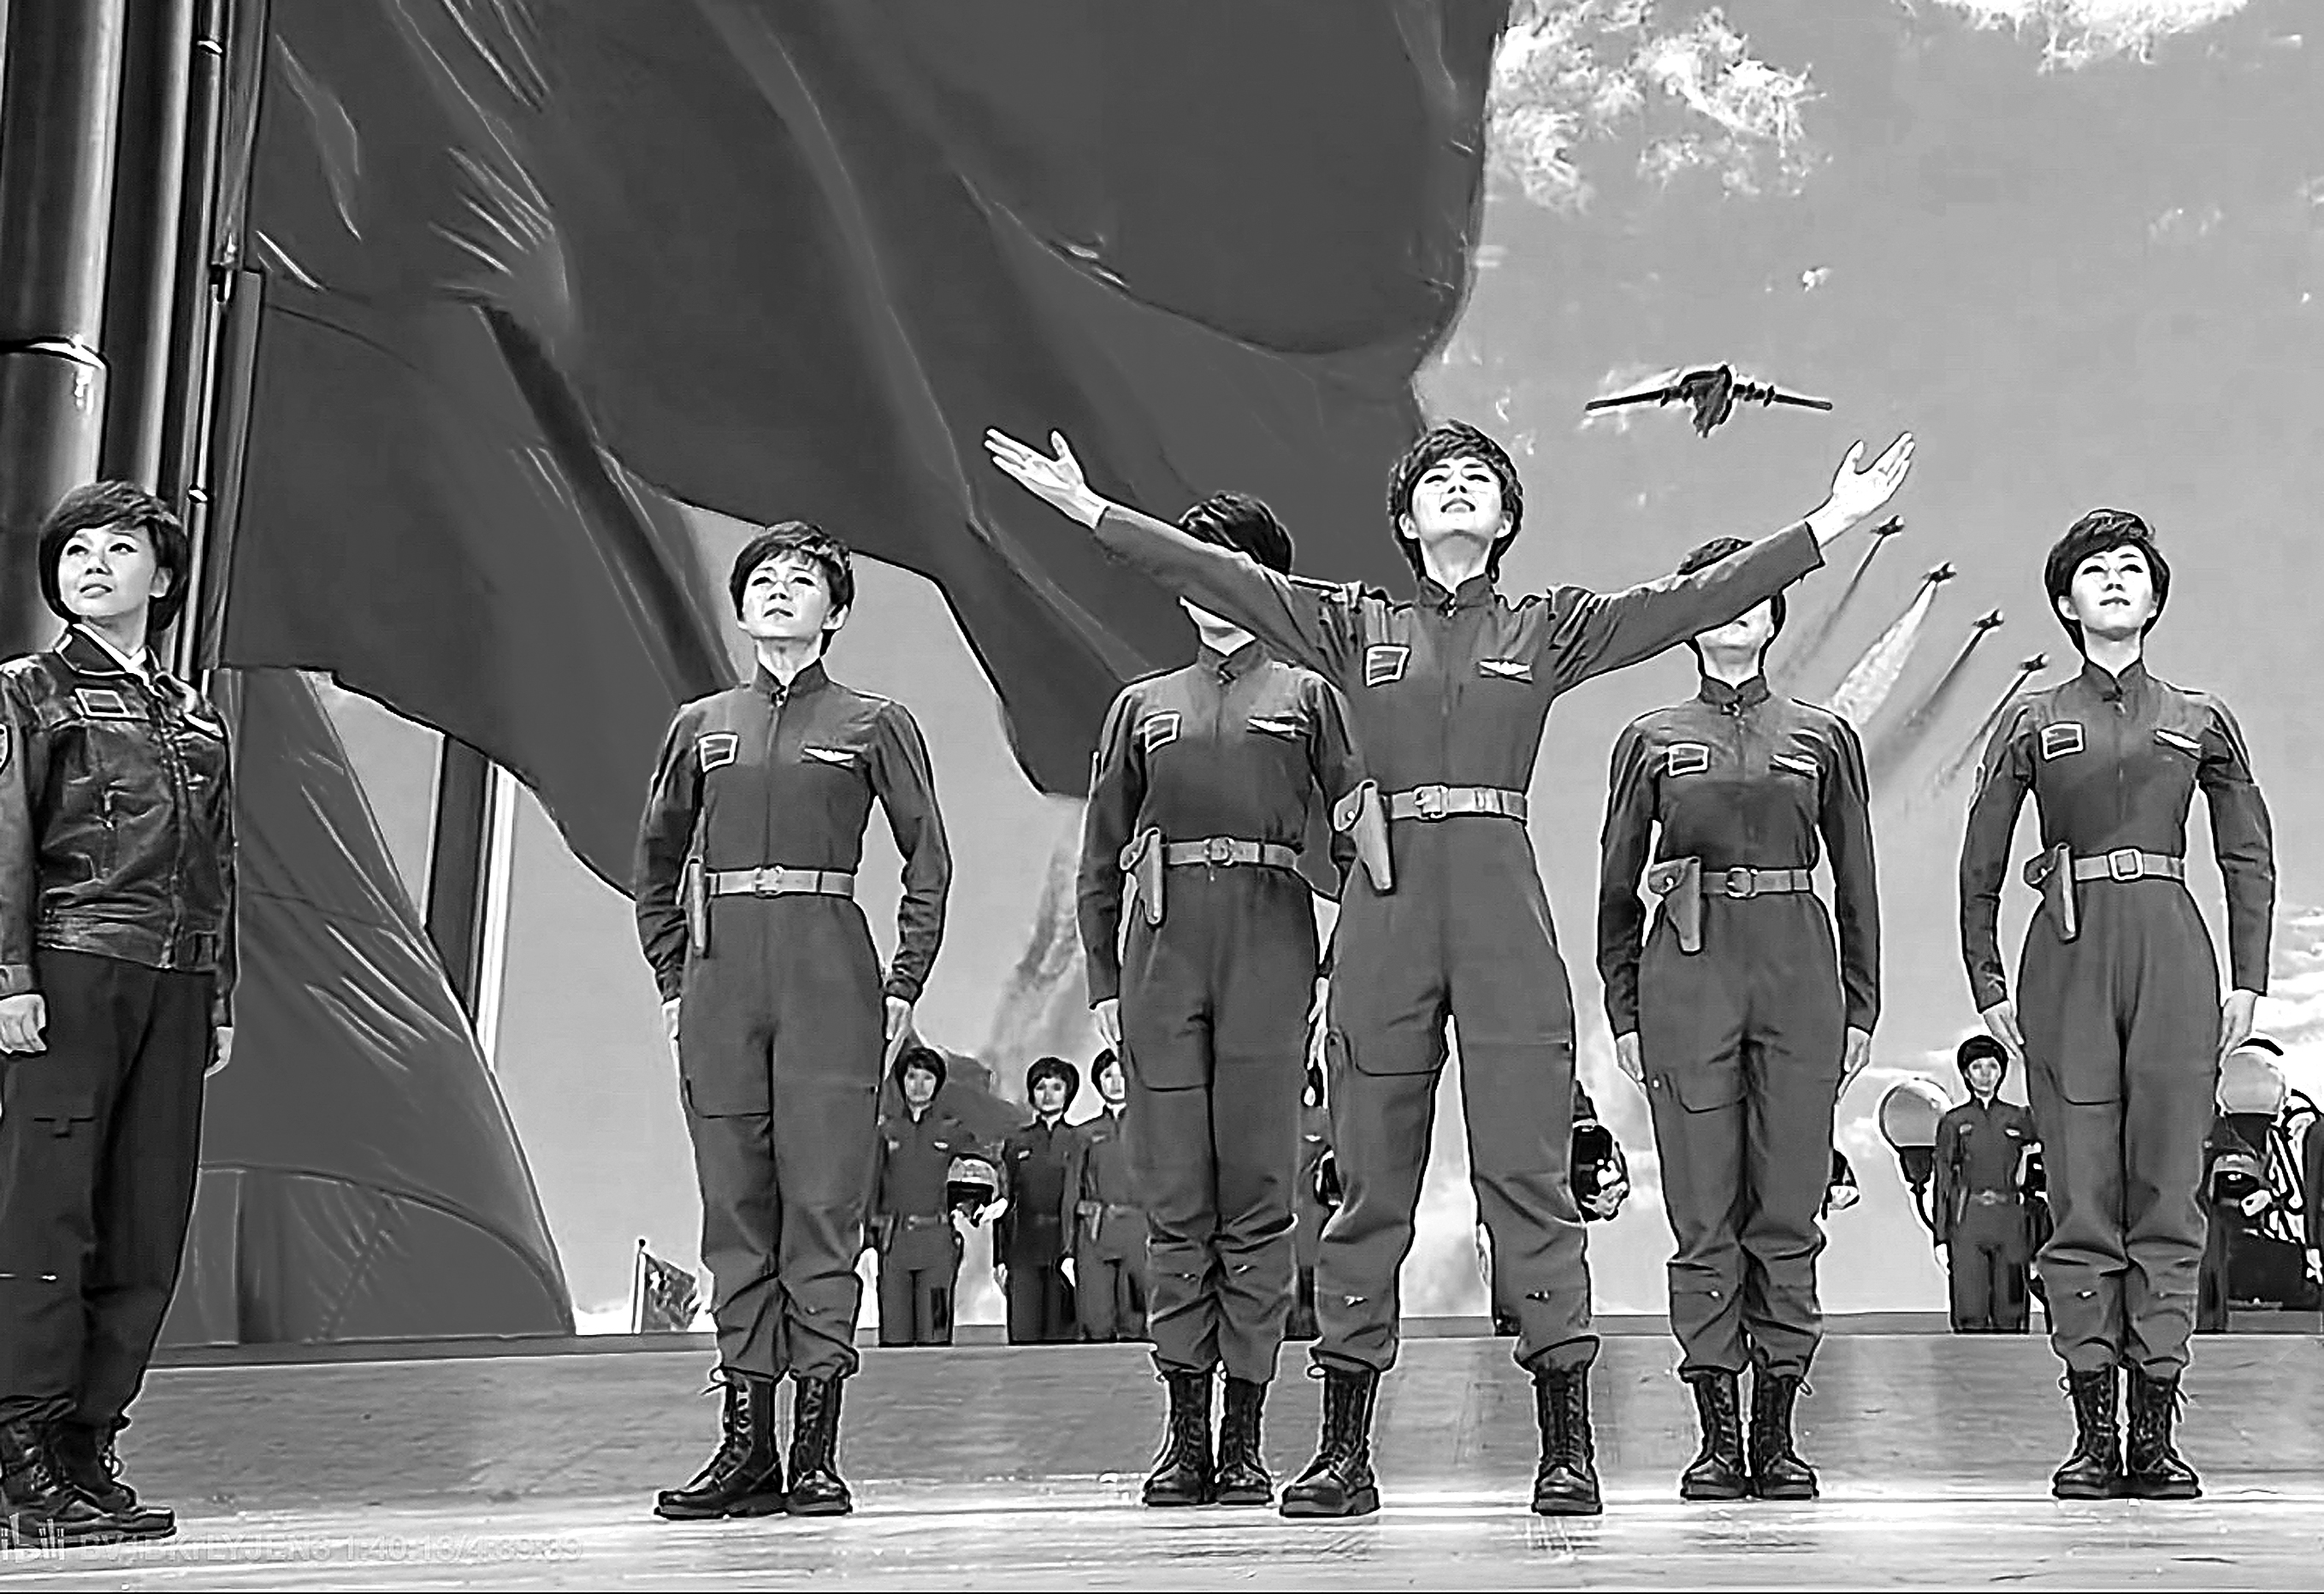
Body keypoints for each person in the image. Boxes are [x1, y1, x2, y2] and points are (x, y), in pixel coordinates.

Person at [989, 416, 1911, 1517]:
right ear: (1405, 516)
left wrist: (1828, 523)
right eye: (1438, 479)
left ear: (1507, 516)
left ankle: (1564, 1448)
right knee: (1368, 1183)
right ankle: (1343, 1452)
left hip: (1499, 909)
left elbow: (1685, 603)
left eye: (1479, 478)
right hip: (1385, 912)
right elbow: (1220, 577)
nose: (1459, 488)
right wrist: (1089, 509)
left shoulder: (1549, 627)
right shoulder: (1350, 624)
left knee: (1527, 1177)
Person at [635, 522, 951, 1521]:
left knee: (821, 1206)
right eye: (762, 579)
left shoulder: (872, 722)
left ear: (836, 610)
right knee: (735, 1208)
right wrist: (674, 980)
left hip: (829, 978)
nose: (778, 591)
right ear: (740, 606)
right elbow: (655, 861)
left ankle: (815, 1450)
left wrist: (901, 982)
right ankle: (744, 1448)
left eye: (802, 580)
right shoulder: (700, 725)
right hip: (721, 980)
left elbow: (927, 859)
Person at [1960, 510, 2274, 1502]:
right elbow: (1979, 859)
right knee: (2080, 1189)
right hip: (2064, 949)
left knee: (2168, 1189)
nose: (2111, 580)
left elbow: (2245, 853)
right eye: (2091, 570)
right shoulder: (2027, 719)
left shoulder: (2200, 717)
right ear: (2063, 600)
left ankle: (2156, 1429)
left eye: (2130, 568)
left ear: (2154, 595)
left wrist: (2247, 977)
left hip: (2171, 945)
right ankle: (2093, 1430)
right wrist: (1986, 982)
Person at [1078, 492, 1368, 1507]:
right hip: (1162, 953)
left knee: (1255, 1192)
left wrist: (1343, 959)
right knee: (1173, 1196)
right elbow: (1099, 856)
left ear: (1265, 582)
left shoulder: (1309, 697)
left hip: (1269, 943)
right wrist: (1102, 981)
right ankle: (1182, 1436)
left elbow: (1359, 838)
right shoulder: (1140, 706)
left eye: (1232, 565)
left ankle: (1242, 1437)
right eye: (1193, 564)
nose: (1208, 586)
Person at [1596, 537, 1879, 1503]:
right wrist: (1624, 1005)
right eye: (1717, 595)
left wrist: (1861, 1001)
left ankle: (1777, 1433)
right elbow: (1615, 886)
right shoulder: (1648, 738)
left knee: (1788, 1209)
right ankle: (1716, 1437)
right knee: (1701, 1210)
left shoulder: (1822, 736)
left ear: (1773, 617)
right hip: (1686, 974)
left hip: (1798, 972)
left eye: (1754, 595)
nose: (1736, 610)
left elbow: (1856, 878)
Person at [0, 482, 234, 1550]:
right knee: (46, 1213)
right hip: (71, 965)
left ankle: (89, 1443)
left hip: (175, 980)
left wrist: (218, 990)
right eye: (75, 551)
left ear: (164, 574)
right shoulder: (30, 691)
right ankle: (22, 1450)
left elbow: (222, 859)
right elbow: (5, 839)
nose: (93, 566)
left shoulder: (195, 712)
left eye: (119, 548)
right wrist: (11, 975)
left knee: (146, 1218)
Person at [871, 1045, 990, 1348]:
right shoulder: (886, 1131)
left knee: (935, 1335)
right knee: (894, 1338)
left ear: (938, 1083)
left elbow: (986, 1171)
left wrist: (973, 1206)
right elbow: (869, 1186)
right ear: (901, 1081)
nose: (919, 1085)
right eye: (912, 1077)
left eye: (927, 1078)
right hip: (894, 1244)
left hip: (937, 1245)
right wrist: (869, 1237)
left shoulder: (953, 1130)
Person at [1931, 1036, 2040, 1335]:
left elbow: (2040, 1177)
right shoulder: (1955, 1122)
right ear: (1966, 1074)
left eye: (1993, 1066)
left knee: (2012, 1308)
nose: (1986, 1074)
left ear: (2002, 1072)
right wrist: (1940, 1237)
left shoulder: (2020, 1118)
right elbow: (1943, 1181)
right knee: (1970, 1308)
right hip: (1968, 1219)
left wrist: (2040, 1235)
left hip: (2012, 1221)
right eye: (1977, 1067)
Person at [996, 1057, 1083, 1344]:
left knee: (1064, 1338)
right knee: (1024, 1335)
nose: (1048, 1095)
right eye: (1041, 1087)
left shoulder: (1080, 1140)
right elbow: (1004, 1202)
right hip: (1024, 1248)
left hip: (1067, 1247)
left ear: (1068, 1093)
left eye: (1057, 1087)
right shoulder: (1017, 1143)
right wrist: (1000, 1258)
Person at [1067, 1049, 1149, 1347]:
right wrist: (1067, 1248)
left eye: (1121, 1075)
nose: (1115, 1083)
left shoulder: (1152, 1128)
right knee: (1096, 1320)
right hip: (1096, 1232)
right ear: (1097, 1082)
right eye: (1107, 1076)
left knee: (1139, 1320)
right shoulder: (1084, 1134)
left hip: (1141, 1231)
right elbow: (1071, 1192)